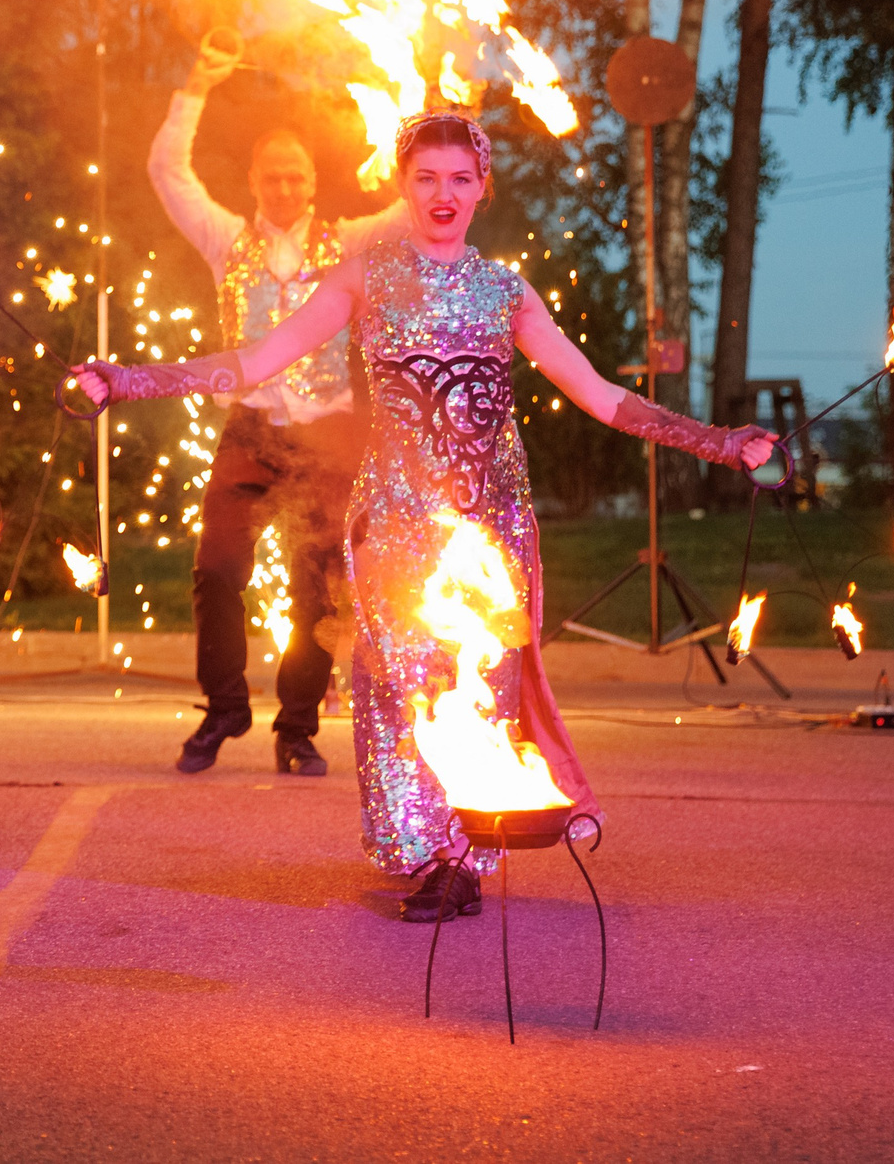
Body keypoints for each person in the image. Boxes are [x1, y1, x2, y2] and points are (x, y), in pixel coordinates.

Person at [78, 110, 775, 919]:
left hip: (487, 521)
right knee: (399, 686)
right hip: (397, 518)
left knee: (480, 681)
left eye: (460, 178)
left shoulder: (505, 290)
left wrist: (722, 443)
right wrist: (125, 381)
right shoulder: (362, 276)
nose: (443, 194)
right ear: (402, 185)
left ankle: (467, 858)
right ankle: (427, 849)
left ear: (482, 187)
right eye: (425, 177)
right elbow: (252, 361)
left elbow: (603, 396)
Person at [146, 35, 405, 776]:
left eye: (296, 177)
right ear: (255, 181)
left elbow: (412, 205)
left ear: (313, 181)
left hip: (328, 433)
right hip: (251, 429)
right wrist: (195, 85)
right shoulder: (227, 240)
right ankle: (224, 706)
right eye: (273, 177)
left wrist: (416, 107)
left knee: (319, 588)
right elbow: (168, 171)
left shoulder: (350, 243)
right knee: (217, 567)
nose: (285, 188)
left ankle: (296, 727)